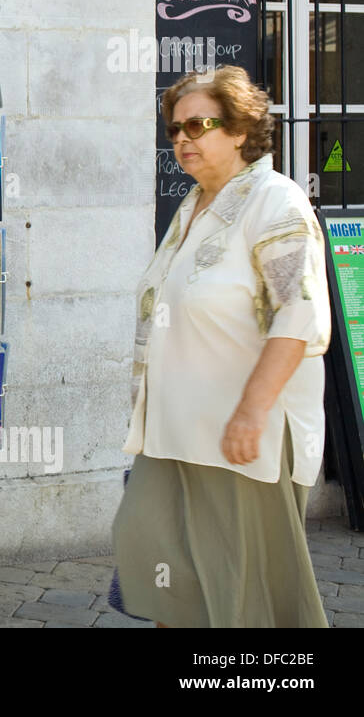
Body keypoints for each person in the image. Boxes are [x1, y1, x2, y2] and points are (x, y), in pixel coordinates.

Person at [112, 65, 331, 627]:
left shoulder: (275, 202)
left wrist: (251, 412)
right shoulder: (194, 207)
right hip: (170, 433)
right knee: (167, 586)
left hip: (238, 438)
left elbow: (297, 315)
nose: (183, 139)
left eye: (198, 125)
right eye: (175, 130)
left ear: (239, 130)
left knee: (244, 602)